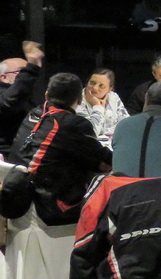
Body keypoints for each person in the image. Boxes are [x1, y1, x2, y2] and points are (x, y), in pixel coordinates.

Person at [21, 73, 112, 220]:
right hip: (49, 205)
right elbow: (107, 160)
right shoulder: (74, 124)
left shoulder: (34, 113)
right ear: (80, 99)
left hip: (20, 195)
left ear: (46, 95)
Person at [0, 40, 44, 149]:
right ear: (4, 78)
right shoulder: (5, 97)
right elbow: (9, 102)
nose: (25, 76)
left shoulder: (27, 100)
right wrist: (32, 68)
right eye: (21, 71)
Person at [76, 68, 129, 138]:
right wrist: (98, 106)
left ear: (110, 89)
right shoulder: (77, 101)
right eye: (92, 83)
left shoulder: (113, 97)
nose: (95, 88)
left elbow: (126, 125)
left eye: (101, 86)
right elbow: (91, 132)